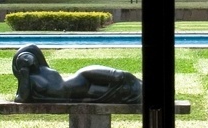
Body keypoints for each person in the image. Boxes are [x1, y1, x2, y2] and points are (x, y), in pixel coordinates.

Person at [11, 44, 142, 104]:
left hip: (83, 77)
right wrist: (24, 72)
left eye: (28, 56)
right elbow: (21, 98)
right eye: (23, 60)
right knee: (121, 92)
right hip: (82, 91)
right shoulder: (29, 80)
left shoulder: (43, 70)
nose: (27, 60)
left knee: (120, 76)